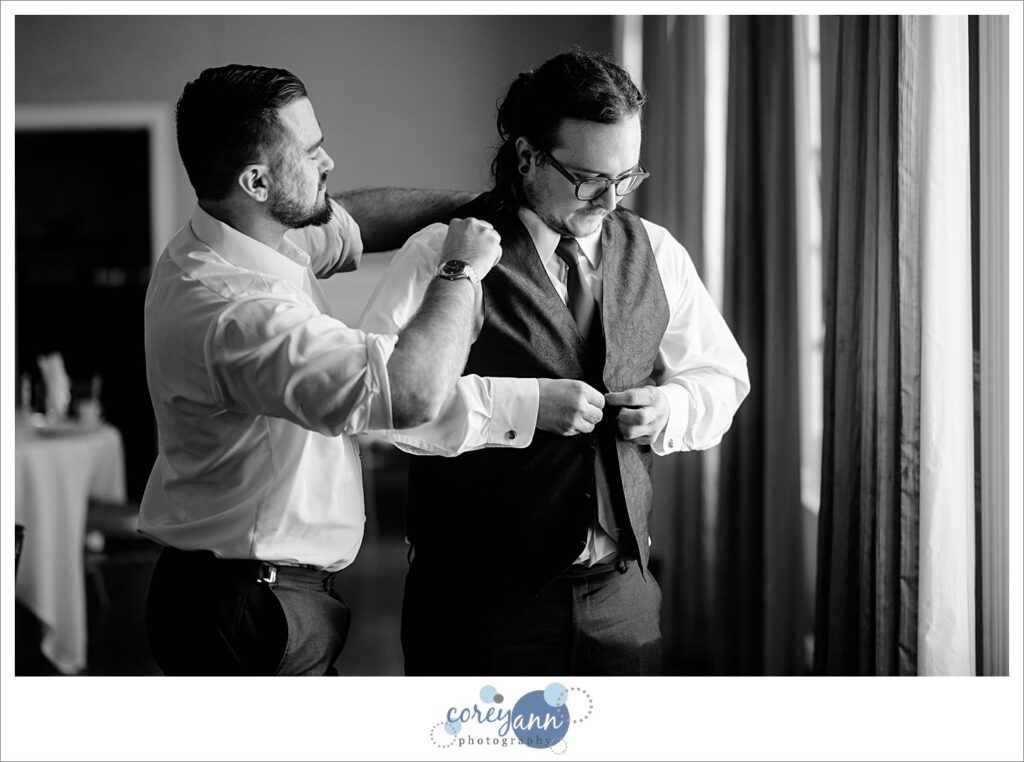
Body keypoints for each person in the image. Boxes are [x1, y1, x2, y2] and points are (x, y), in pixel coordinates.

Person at [360, 49, 750, 676]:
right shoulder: (443, 253)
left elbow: (723, 377)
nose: (611, 199)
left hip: (623, 597)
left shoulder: (658, 252)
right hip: (476, 606)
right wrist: (522, 407)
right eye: (590, 179)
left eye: (627, 178)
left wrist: (670, 409)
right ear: (526, 156)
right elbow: (375, 405)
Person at [139, 64, 536, 676]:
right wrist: (461, 268)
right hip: (248, 610)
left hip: (244, 589)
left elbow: (350, 221)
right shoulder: (239, 313)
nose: (330, 162)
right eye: (313, 151)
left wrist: (485, 208)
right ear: (256, 180)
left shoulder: (240, 235)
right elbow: (411, 393)